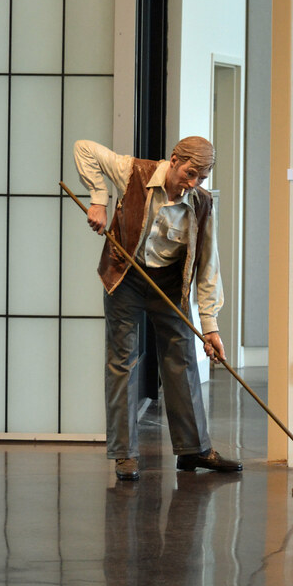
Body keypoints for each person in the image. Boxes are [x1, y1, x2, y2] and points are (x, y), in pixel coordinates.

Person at [74, 137, 242, 481]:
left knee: (182, 359)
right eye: (190, 173)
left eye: (202, 178)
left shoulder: (202, 203)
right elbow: (84, 148)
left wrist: (210, 326)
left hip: (168, 283)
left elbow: (209, 266)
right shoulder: (133, 172)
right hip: (126, 276)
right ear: (174, 160)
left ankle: (193, 449)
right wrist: (98, 200)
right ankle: (125, 455)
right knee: (122, 361)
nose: (193, 184)